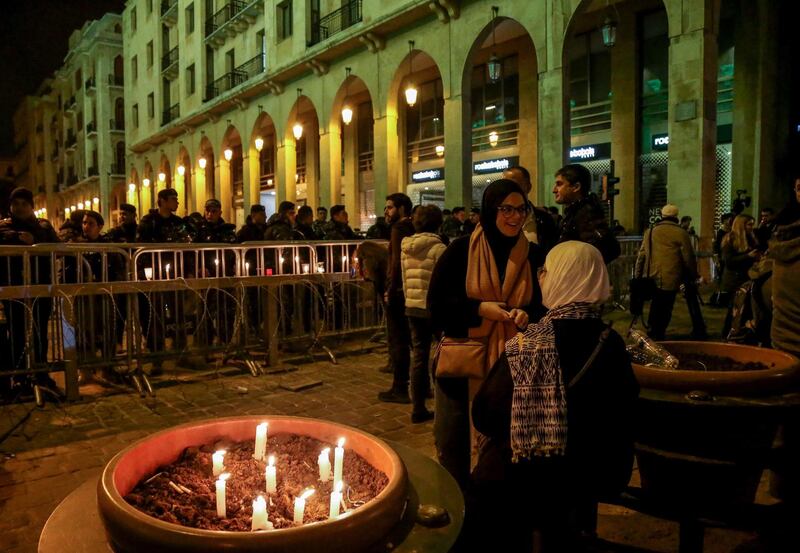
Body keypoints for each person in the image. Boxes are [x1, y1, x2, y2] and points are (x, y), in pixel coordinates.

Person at [467, 241, 638, 551]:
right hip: (590, 474)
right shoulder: (610, 342)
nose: (541, 276)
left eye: (546, 270)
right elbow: (624, 412)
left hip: (526, 479)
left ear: (562, 277)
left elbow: (484, 413)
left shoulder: (528, 344)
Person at [428, 179, 544, 489]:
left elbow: (543, 306)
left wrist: (526, 314)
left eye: (522, 209)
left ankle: (490, 504)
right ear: (490, 210)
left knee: (504, 439)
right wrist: (480, 310)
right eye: (506, 209)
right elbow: (436, 304)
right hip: (463, 362)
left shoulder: (532, 254)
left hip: (513, 363)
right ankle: (456, 502)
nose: (515, 217)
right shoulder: (462, 250)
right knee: (455, 440)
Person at [0, 187, 60, 396]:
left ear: (31, 207)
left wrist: (34, 238)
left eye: (24, 204)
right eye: (15, 204)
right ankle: (18, 375)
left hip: (40, 286)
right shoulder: (4, 227)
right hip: (13, 287)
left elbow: (57, 246)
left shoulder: (43, 225)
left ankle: (41, 372)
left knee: (39, 330)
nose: (19, 208)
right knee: (15, 331)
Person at [400, 205, 447, 423]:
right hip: (434, 308)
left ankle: (417, 407)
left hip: (412, 306)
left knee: (418, 356)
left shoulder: (405, 247)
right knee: (443, 354)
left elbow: (404, 278)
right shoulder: (439, 249)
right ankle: (444, 403)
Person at [634, 205, 700, 341]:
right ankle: (659, 332)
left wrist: (638, 275)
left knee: (656, 303)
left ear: (662, 215)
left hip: (651, 275)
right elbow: (688, 257)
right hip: (671, 276)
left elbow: (641, 255)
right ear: (676, 216)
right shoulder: (681, 233)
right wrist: (694, 275)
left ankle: (653, 330)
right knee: (666, 305)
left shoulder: (650, 231)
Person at [377, 193, 416, 404]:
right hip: (411, 290)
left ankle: (400, 388)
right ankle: (421, 386)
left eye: (390, 207)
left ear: (401, 209)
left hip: (399, 291)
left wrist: (390, 289)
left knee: (399, 340)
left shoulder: (398, 229)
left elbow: (395, 262)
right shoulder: (413, 227)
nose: (386, 212)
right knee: (413, 342)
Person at [553, 164, 620, 263]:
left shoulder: (586, 214)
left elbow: (609, 248)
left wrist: (580, 267)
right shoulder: (577, 212)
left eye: (559, 184)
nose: (554, 190)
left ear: (576, 187)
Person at [720, 214, 760, 337]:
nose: (751, 227)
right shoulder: (730, 239)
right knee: (734, 308)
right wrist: (748, 256)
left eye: (752, 224)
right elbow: (729, 261)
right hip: (734, 279)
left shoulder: (751, 237)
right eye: (749, 224)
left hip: (746, 278)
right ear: (741, 225)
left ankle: (738, 332)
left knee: (742, 308)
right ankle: (728, 333)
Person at [503, 165, 559, 254]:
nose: (508, 189)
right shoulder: (496, 218)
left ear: (528, 187)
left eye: (514, 185)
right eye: (504, 185)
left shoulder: (544, 219)